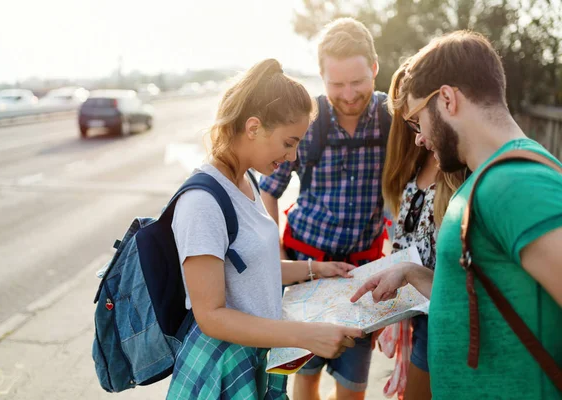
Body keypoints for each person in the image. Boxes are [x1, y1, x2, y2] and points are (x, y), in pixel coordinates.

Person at [352, 31, 562, 399]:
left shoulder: (515, 183)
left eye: (417, 120)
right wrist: (413, 273)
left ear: (447, 99)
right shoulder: (488, 179)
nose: (417, 138)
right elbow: (483, 299)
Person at [166, 58, 365, 400]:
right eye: (289, 142)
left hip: (258, 354)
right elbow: (210, 316)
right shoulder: (202, 202)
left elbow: (252, 271)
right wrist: (303, 335)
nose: (293, 157)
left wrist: (313, 269)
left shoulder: (248, 180)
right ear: (254, 127)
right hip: (224, 370)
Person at [260, 18, 391, 400]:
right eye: (337, 84)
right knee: (306, 375)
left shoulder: (391, 120)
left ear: (375, 69)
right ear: (322, 76)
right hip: (307, 270)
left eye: (357, 81)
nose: (348, 94)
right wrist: (280, 258)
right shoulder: (309, 122)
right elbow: (269, 192)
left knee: (353, 384)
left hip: (360, 277)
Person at [380, 62, 465, 399]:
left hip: (440, 313)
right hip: (413, 306)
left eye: (414, 115)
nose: (412, 128)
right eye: (405, 118)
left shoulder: (455, 164)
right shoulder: (412, 157)